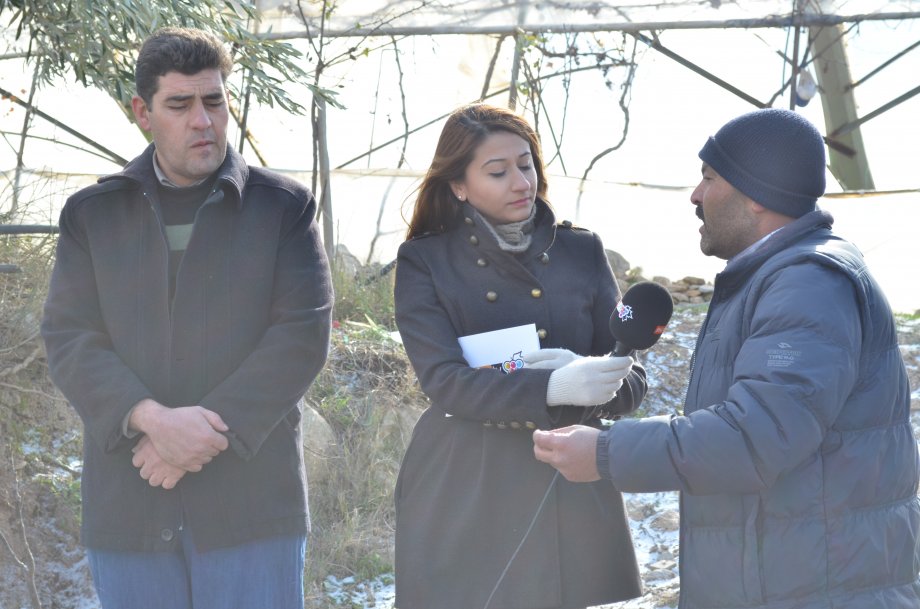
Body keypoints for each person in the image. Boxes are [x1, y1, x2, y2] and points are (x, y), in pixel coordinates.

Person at [532, 108, 920, 608]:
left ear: (757, 194)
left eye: (709, 177)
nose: (695, 195)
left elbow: (756, 436)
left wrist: (607, 452)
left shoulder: (807, 284)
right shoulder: (771, 277)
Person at [40, 27, 333, 609]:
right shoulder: (93, 215)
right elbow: (70, 338)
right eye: (180, 105)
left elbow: (301, 335)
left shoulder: (282, 209)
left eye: (214, 101)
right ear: (142, 112)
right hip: (132, 494)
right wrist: (150, 419)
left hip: (250, 503)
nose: (203, 121)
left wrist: (199, 433)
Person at [393, 103, 647, 609]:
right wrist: (552, 387)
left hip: (570, 476)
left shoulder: (581, 250)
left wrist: (597, 381)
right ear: (458, 185)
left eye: (526, 165)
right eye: (498, 171)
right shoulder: (425, 261)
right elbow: (444, 381)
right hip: (467, 481)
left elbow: (632, 374)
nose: (521, 182)